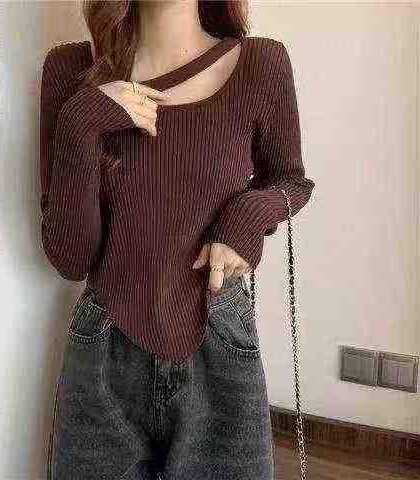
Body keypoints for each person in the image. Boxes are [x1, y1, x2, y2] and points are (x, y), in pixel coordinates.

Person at [40, 1, 315, 478]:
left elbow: (291, 182)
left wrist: (245, 219)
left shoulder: (261, 64)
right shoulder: (70, 71)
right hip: (104, 349)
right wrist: (81, 121)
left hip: (218, 341)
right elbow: (71, 257)